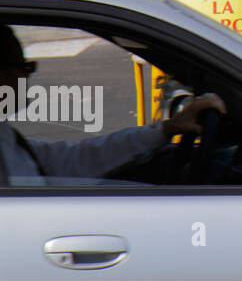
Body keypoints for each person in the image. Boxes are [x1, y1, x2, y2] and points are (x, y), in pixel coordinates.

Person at [0, 25, 228, 184]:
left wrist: (167, 129)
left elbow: (76, 159)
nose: (27, 78)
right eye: (24, 68)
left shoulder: (9, 140)